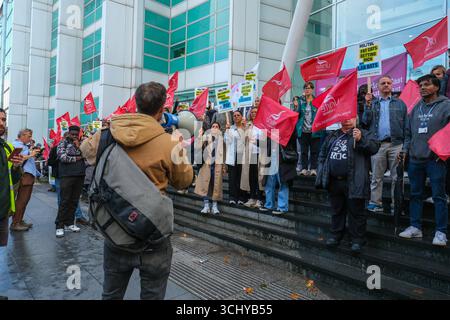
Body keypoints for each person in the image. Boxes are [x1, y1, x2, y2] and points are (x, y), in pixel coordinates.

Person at [81, 81, 193, 300]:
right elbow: (184, 181)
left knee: (111, 294)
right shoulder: (170, 142)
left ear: (136, 104)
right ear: (162, 109)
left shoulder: (108, 134)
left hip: (115, 230)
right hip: (152, 235)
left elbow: (85, 151)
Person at [399, 74, 450, 247]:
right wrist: (406, 150)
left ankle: (441, 232)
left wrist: (444, 150)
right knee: (415, 195)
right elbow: (408, 133)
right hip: (415, 159)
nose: (421, 87)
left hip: (435, 160)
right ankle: (415, 227)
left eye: (426, 84)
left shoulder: (446, 105)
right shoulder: (416, 108)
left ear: (436, 87)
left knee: (438, 196)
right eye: (420, 85)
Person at [316, 118, 380, 254]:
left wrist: (361, 139)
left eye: (349, 118)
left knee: (356, 212)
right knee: (336, 210)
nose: (346, 121)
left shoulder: (363, 133)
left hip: (354, 181)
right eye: (343, 118)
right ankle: (335, 235)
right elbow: (322, 154)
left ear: (356, 117)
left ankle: (357, 240)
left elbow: (374, 148)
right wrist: (322, 172)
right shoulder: (333, 135)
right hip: (334, 181)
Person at [362, 76, 408, 213]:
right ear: (378, 86)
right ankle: (376, 203)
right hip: (377, 145)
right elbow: (365, 121)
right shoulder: (373, 103)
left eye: (389, 82)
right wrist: (367, 105)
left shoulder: (400, 104)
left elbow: (406, 126)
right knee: (376, 176)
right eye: (383, 83)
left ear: (392, 85)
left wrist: (405, 147)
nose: (386, 85)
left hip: (396, 144)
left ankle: (397, 205)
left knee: (397, 177)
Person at [0, 108, 24, 300]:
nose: (2, 123)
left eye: (3, 119)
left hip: (3, 210)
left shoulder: (6, 147)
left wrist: (16, 166)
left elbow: (13, 177)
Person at [55, 126, 86, 238]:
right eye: (72, 134)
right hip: (67, 175)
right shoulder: (62, 143)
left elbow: (87, 157)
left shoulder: (82, 143)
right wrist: (78, 158)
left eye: (76, 134)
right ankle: (59, 226)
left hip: (80, 175)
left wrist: (79, 148)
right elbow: (63, 157)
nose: (74, 136)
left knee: (74, 201)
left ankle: (69, 223)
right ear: (68, 133)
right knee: (64, 201)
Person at [260, 131, 298, 215]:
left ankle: (282, 207)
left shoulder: (288, 126)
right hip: (271, 156)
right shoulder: (270, 126)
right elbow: (265, 143)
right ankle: (269, 204)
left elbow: (293, 137)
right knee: (269, 182)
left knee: (283, 182)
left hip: (283, 158)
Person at [10, 129, 40, 231]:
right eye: (29, 136)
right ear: (22, 135)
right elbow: (17, 158)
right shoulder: (16, 144)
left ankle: (19, 220)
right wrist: (31, 154)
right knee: (21, 200)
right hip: (24, 176)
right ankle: (16, 223)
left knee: (24, 200)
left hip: (28, 175)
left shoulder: (22, 145)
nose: (30, 138)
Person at [195, 122, 225, 214]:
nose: (215, 128)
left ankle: (214, 206)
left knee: (215, 186)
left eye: (217, 126)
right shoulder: (206, 137)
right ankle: (206, 205)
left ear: (219, 129)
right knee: (205, 186)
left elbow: (224, 154)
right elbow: (197, 146)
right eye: (213, 126)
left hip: (217, 165)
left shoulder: (222, 140)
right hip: (206, 165)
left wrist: (224, 166)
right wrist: (199, 135)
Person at [295, 82, 324, 177]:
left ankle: (313, 169)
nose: (307, 89)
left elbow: (321, 114)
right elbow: (296, 115)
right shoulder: (300, 101)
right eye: (306, 88)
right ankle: (304, 168)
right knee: (303, 151)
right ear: (304, 90)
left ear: (312, 90)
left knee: (314, 151)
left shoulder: (317, 101)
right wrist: (296, 107)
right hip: (303, 131)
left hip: (314, 132)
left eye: (309, 88)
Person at [242, 107, 264, 208]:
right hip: (250, 154)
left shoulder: (263, 124)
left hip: (260, 154)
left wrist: (257, 142)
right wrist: (243, 128)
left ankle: (259, 199)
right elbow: (243, 140)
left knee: (259, 177)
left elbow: (266, 140)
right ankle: (252, 197)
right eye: (252, 112)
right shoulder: (248, 125)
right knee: (251, 177)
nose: (254, 113)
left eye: (256, 112)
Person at [225, 110, 247, 205]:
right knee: (232, 178)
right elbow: (227, 141)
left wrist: (244, 128)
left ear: (242, 117)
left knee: (241, 178)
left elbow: (247, 140)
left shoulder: (245, 127)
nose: (236, 117)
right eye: (234, 115)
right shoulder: (230, 128)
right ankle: (232, 197)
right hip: (232, 157)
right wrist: (227, 130)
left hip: (242, 156)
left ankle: (242, 197)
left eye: (238, 115)